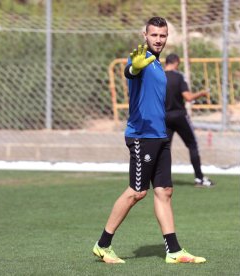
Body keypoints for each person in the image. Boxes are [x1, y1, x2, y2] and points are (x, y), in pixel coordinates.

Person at [92, 17, 206, 264]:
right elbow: (130, 71)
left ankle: (174, 251)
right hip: (142, 136)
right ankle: (103, 245)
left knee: (164, 191)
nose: (158, 39)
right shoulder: (140, 59)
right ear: (145, 35)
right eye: (154, 35)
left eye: (162, 35)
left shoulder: (157, 65)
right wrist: (134, 67)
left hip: (160, 135)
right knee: (137, 192)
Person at [164, 53, 214, 187]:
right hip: (179, 116)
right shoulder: (178, 77)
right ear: (176, 63)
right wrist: (202, 93)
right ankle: (199, 178)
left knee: (165, 148)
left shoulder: (159, 77)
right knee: (192, 145)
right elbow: (189, 97)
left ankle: (162, 179)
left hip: (164, 117)